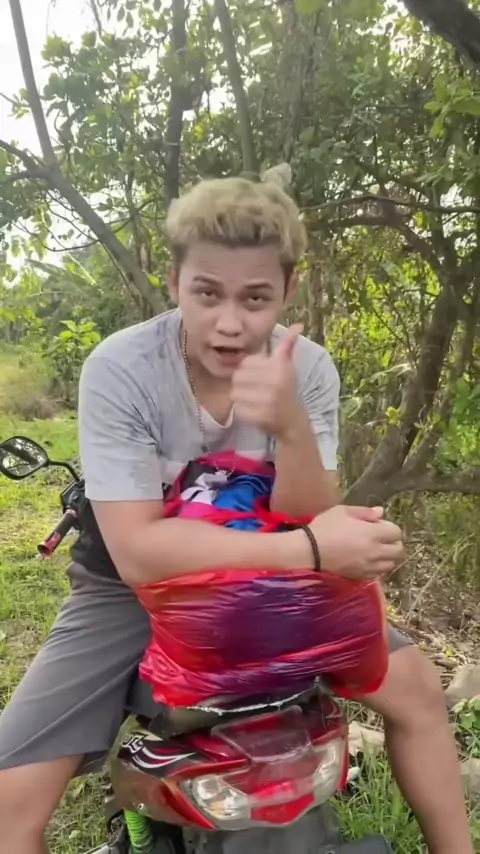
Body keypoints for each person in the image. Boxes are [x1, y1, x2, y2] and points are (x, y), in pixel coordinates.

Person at [0, 178, 472, 854]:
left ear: (287, 290)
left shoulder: (307, 368)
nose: (230, 322)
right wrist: (313, 551)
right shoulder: (123, 369)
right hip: (131, 590)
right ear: (174, 283)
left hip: (267, 580)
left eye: (254, 298)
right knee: (10, 806)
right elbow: (137, 553)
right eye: (207, 294)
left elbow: (304, 512)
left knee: (419, 689)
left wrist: (291, 427)